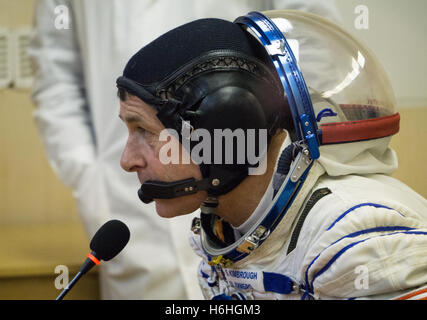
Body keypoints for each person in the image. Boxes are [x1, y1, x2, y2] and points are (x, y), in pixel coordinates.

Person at [28, 0, 341, 300]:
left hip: (253, 179)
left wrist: (274, 144)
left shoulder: (344, 242)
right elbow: (56, 76)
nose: (127, 160)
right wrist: (91, 181)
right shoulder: (128, 162)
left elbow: (308, 42)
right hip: (128, 210)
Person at [116, 10, 427, 300]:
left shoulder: (355, 242)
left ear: (223, 123)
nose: (127, 161)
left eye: (144, 130)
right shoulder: (226, 235)